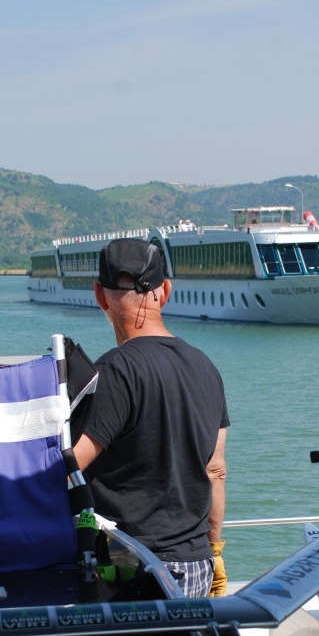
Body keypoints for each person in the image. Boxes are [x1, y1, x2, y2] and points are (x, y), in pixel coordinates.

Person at [73, 237, 228, 597]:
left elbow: (67, 466)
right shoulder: (206, 367)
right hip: (196, 564)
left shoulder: (113, 372)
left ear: (99, 295)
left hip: (130, 566)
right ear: (166, 291)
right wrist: (214, 549)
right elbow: (215, 471)